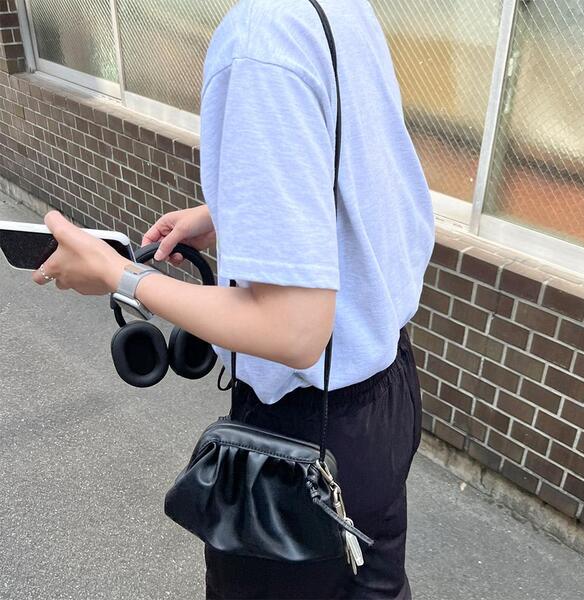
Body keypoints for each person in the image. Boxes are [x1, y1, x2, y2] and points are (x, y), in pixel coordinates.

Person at [33, 0, 434, 597]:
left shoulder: (258, 41)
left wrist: (119, 275)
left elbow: (293, 330)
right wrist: (235, 215)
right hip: (385, 394)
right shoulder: (332, 11)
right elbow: (356, 176)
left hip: (303, 437)